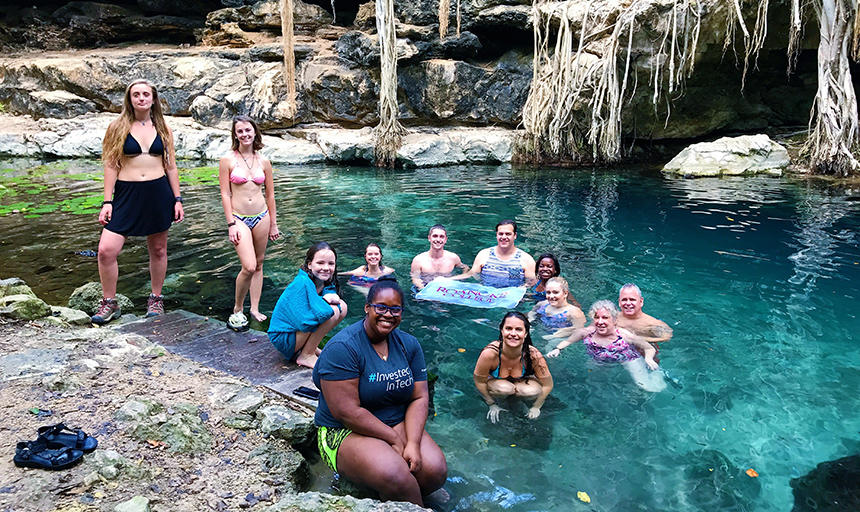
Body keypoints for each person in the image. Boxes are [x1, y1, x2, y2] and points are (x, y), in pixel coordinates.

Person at [313, 278, 448, 506]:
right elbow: (346, 412)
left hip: (394, 420)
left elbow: (419, 396)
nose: (388, 314)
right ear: (367, 308)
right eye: (381, 307)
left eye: (395, 309)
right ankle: (405, 496)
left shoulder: (409, 345)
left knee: (435, 471)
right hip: (342, 431)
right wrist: (393, 439)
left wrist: (412, 443)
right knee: (396, 476)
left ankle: (398, 495)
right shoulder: (343, 348)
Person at [91, 79, 184, 325]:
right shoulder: (117, 127)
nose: (141, 98)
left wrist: (177, 198)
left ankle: (155, 298)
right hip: (126, 194)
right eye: (136, 94)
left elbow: (170, 166)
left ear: (153, 98)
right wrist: (107, 201)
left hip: (158, 193)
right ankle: (109, 302)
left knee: (158, 249)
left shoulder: (163, 128)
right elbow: (111, 165)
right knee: (106, 250)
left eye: (146, 94)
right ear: (129, 99)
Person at [219, 115, 280, 332]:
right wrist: (231, 224)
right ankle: (237, 308)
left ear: (255, 132)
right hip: (239, 218)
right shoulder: (228, 159)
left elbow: (271, 195)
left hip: (262, 215)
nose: (245, 134)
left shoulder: (264, 161)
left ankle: (254, 308)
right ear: (235, 135)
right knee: (249, 265)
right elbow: (225, 194)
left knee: (260, 263)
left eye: (248, 130)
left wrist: (273, 223)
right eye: (240, 131)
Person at [546, 300, 666, 392]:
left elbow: (649, 347)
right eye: (597, 317)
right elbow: (568, 341)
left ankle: (659, 374)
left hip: (627, 358)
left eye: (605, 317)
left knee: (648, 387)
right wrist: (557, 349)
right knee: (593, 383)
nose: (600, 321)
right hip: (599, 360)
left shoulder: (624, 335)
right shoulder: (585, 333)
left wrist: (648, 359)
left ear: (614, 320)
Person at [268, 242, 348, 368]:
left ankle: (311, 347)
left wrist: (328, 299)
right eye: (320, 263)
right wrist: (324, 302)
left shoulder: (323, 282)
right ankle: (306, 355)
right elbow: (304, 323)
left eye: (331, 263)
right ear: (310, 264)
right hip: (284, 337)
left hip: (297, 334)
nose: (326, 268)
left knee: (342, 307)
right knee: (332, 311)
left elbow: (332, 298)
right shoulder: (302, 283)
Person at [473, 311, 554, 423]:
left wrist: (536, 407)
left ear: (526, 333)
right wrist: (491, 404)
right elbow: (479, 382)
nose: (513, 333)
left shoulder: (533, 354)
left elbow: (547, 384)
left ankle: (515, 400)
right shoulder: (490, 353)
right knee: (505, 389)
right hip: (497, 384)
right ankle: (501, 400)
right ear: (502, 330)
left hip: (521, 383)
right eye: (509, 328)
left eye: (519, 329)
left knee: (532, 391)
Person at [456, 220, 536, 288]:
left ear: (515, 236)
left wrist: (517, 291)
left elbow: (532, 282)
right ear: (496, 235)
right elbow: (471, 274)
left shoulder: (526, 259)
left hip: (511, 299)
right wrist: (447, 280)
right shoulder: (484, 254)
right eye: (501, 234)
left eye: (508, 234)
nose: (504, 237)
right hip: (487, 295)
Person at [410, 225, 469, 290]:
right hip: (426, 288)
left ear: (445, 240)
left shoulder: (453, 258)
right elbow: (415, 278)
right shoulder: (418, 260)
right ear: (429, 238)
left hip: (447, 289)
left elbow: (465, 268)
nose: (438, 240)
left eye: (441, 237)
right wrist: (423, 290)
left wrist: (460, 280)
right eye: (435, 236)